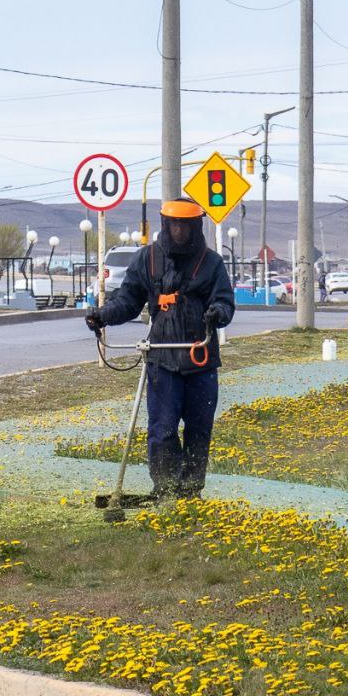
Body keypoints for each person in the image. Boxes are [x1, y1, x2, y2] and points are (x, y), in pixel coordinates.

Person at [85, 198, 235, 501]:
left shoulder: (211, 262)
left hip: (200, 359)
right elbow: (128, 301)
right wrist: (103, 316)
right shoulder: (147, 259)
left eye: (185, 225)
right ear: (165, 224)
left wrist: (216, 313)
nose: (179, 230)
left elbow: (225, 302)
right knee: (162, 430)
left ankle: (190, 491)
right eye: (174, 224)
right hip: (162, 359)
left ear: (196, 226)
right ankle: (166, 488)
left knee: (198, 430)